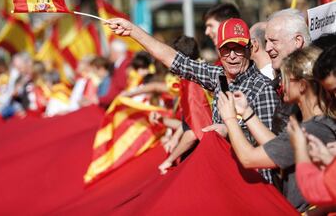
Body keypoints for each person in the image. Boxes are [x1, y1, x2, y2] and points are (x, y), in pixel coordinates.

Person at [106, 17, 279, 182]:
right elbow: (175, 61)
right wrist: (133, 31)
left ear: (249, 49)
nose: (232, 55)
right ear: (219, 50)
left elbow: (270, 148)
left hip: (257, 183)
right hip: (224, 176)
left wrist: (229, 130)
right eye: (227, 49)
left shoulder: (263, 88)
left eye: (238, 48)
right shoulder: (218, 75)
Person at [217, 46, 336, 212]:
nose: (280, 83)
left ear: (302, 85)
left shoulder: (312, 129)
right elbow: (279, 147)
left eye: (285, 78)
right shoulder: (317, 124)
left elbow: (248, 158)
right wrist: (246, 112)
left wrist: (229, 119)